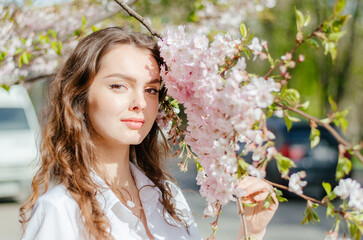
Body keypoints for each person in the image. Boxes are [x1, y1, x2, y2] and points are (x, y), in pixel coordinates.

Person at [19, 27, 278, 240]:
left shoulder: (169, 197)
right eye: (119, 86)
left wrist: (251, 232)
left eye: (151, 90)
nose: (140, 103)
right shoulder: (60, 211)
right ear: (80, 95)